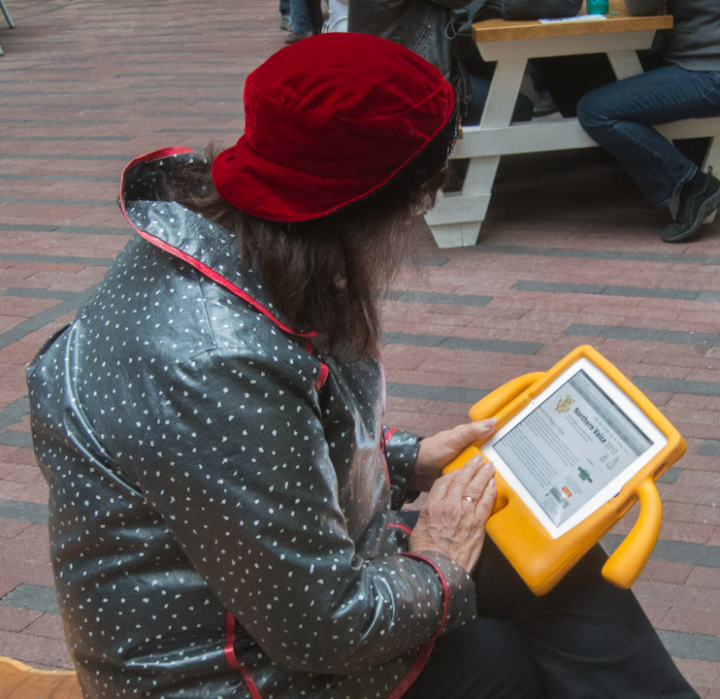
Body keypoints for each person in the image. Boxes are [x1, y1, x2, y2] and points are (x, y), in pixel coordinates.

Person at [27, 33, 700, 699]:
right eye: (424, 194)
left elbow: (264, 470)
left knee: (554, 571)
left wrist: (406, 460)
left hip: (262, 610)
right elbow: (323, 626)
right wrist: (441, 564)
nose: (419, 215)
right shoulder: (211, 360)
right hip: (214, 674)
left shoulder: (228, 244)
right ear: (363, 206)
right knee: (499, 660)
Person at [577, 0, 720, 243]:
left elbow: (641, 6)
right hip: (703, 62)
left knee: (595, 110)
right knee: (599, 82)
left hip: (708, 71)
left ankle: (693, 185)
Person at [348, 0, 533, 126]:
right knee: (518, 106)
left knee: (490, 62)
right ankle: (455, 168)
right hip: (406, 89)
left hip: (384, 74)